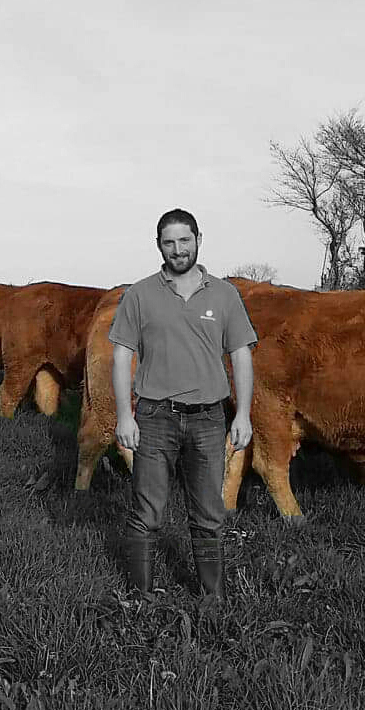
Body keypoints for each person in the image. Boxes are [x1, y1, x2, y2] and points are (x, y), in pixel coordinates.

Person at [108, 208, 256, 598]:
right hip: (155, 415)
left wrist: (242, 414)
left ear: (198, 240)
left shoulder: (224, 295)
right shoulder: (139, 294)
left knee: (209, 514)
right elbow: (122, 354)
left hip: (209, 418)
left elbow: (240, 354)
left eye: (184, 241)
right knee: (147, 514)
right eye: (169, 243)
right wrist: (125, 415)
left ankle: (212, 601)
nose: (178, 250)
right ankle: (140, 600)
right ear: (159, 246)